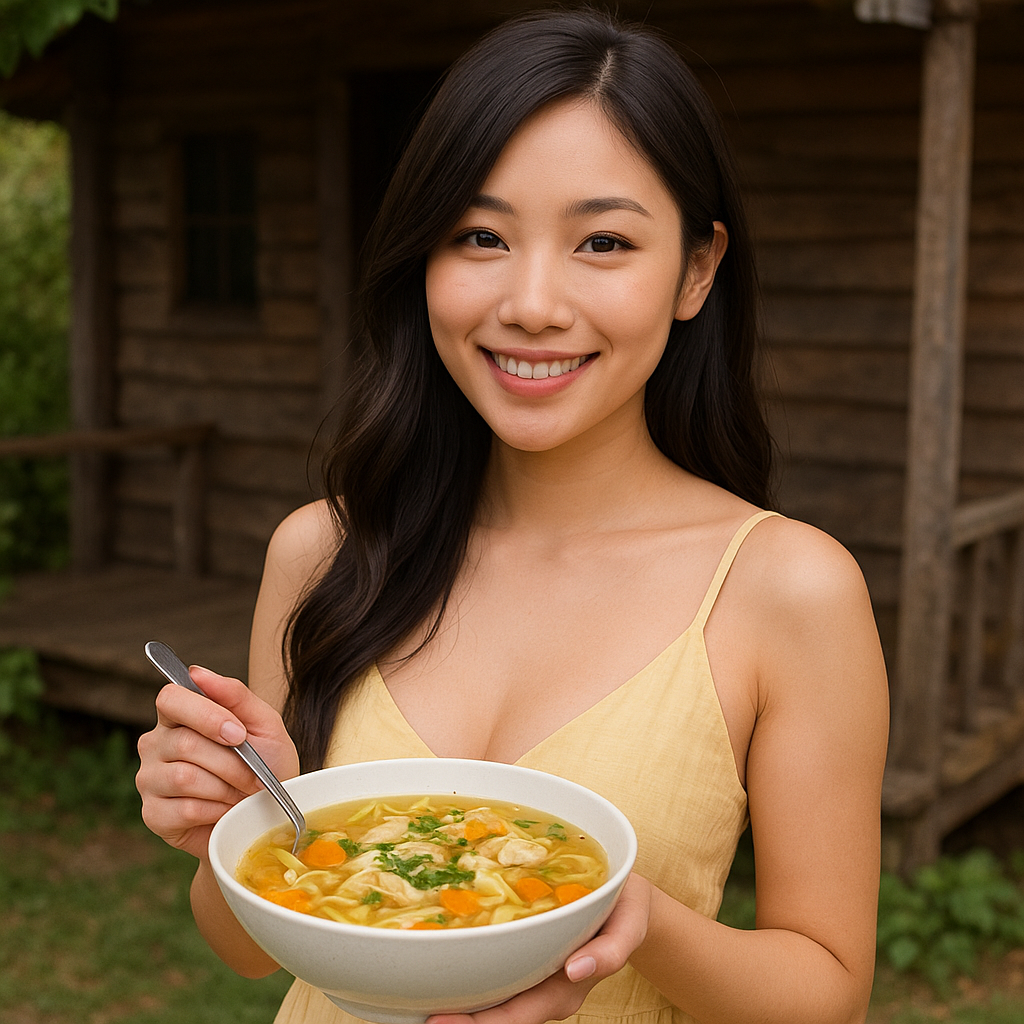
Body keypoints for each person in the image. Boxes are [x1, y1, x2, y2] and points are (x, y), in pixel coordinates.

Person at [136, 8, 889, 1024]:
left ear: (698, 269)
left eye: (603, 241)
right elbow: (243, 949)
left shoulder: (786, 589)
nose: (532, 301)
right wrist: (232, 824)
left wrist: (634, 923)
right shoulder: (324, 550)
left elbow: (827, 989)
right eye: (481, 236)